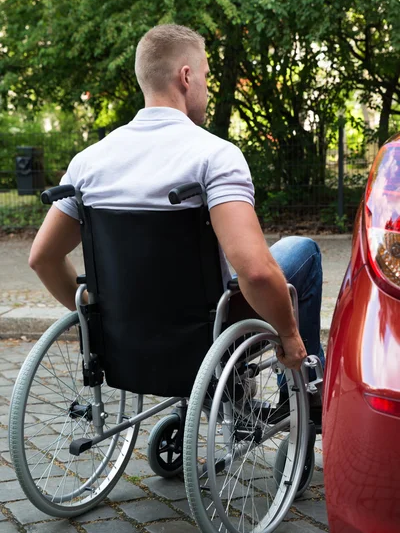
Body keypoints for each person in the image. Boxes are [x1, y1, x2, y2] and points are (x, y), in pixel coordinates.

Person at [29, 24, 324, 378]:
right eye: (206, 77)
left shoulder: (88, 163)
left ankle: (241, 395)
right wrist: (290, 334)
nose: (208, 89)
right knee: (302, 250)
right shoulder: (214, 156)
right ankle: (307, 386)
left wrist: (97, 315)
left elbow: (42, 258)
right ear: (186, 77)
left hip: (126, 333)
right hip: (208, 334)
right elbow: (257, 272)